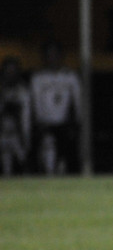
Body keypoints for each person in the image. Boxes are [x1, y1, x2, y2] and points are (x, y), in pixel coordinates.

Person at [30, 40, 82, 175]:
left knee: (66, 157)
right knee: (48, 150)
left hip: (65, 124)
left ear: (61, 56)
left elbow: (78, 102)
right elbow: (35, 103)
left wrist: (77, 122)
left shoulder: (70, 77)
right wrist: (38, 123)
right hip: (45, 124)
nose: (52, 58)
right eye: (49, 55)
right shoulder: (38, 78)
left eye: (55, 54)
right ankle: (47, 175)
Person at [1, 56, 32, 176]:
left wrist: (26, 136)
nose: (10, 74)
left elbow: (26, 117)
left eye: (13, 71)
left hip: (17, 134)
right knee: (6, 165)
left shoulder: (23, 91)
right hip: (2, 133)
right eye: (8, 71)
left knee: (23, 162)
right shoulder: (1, 90)